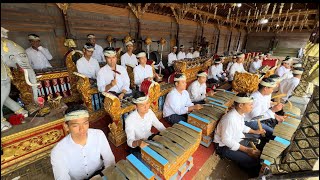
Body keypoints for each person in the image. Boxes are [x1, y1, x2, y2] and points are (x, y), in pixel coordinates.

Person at [50, 104, 115, 180]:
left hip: (100, 173)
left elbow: (109, 159)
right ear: (66, 127)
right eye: (75, 125)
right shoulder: (58, 151)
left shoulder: (98, 134)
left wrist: (107, 176)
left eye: (85, 123)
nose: (82, 129)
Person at [214, 93, 265, 177]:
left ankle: (243, 159)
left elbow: (242, 126)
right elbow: (226, 140)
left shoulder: (240, 114)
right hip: (223, 146)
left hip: (237, 138)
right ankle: (244, 167)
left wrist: (255, 131)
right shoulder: (230, 119)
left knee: (258, 145)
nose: (252, 106)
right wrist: (246, 150)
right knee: (252, 161)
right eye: (250, 104)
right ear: (241, 105)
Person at [125, 91, 166, 159]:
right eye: (142, 105)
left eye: (147, 103)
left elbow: (159, 125)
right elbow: (130, 141)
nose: (146, 107)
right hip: (138, 144)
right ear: (136, 107)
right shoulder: (129, 120)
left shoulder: (149, 112)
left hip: (150, 138)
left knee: (164, 149)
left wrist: (168, 133)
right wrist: (139, 143)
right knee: (148, 160)